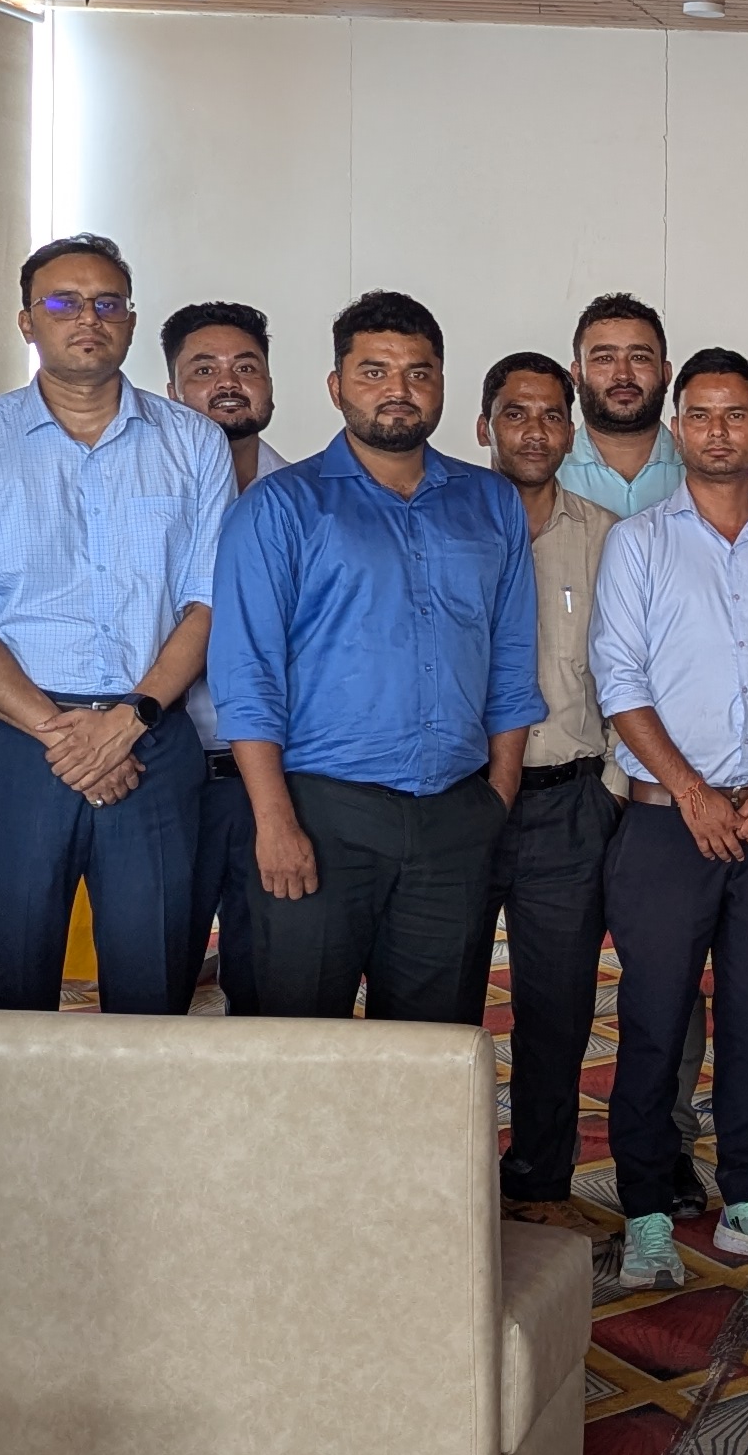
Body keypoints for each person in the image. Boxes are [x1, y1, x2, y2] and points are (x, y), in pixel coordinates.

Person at [207, 293, 539, 1029]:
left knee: (432, 1045)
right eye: (374, 371)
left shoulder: (491, 503)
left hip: (455, 815)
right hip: (321, 814)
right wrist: (275, 822)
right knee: (301, 1039)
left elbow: (513, 660)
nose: (399, 389)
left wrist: (497, 797)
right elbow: (247, 674)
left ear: (441, 384)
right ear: (336, 386)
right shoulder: (280, 507)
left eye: (419, 373)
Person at [0, 235, 232, 1012]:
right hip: (20, 745)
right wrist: (62, 734)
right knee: (13, 984)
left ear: (131, 321)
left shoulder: (192, 442)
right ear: (27, 322)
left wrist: (128, 722)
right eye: (63, 302)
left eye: (107, 303)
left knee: (153, 985)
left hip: (152, 739)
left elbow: (210, 601)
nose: (87, 318)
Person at [594, 349, 748, 1284]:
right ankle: (647, 1210)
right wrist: (694, 792)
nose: (718, 431)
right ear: (678, 429)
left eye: (736, 414)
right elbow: (619, 680)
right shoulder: (640, 543)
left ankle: (746, 1194)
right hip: (669, 823)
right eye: (699, 415)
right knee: (654, 1020)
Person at [474, 353, 622, 1232]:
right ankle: (442, 1183)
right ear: (484, 426)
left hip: (570, 803)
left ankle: (539, 1183)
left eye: (551, 415)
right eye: (515, 413)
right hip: (459, 803)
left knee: (558, 1008)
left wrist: (610, 791)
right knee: (442, 1005)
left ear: (572, 432)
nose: (535, 431)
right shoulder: (447, 522)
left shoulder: (608, 537)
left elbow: (632, 671)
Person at [164, 300, 283, 994]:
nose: (228, 383)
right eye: (204, 370)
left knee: (269, 977)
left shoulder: (306, 498)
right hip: (163, 770)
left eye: (246, 367)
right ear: (172, 388)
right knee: (152, 977)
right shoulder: (142, 496)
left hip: (275, 780)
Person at [561, 292, 684, 517]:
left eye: (639, 357)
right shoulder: (548, 473)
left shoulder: (700, 469)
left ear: (666, 374)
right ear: (577, 375)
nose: (623, 375)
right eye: (604, 358)